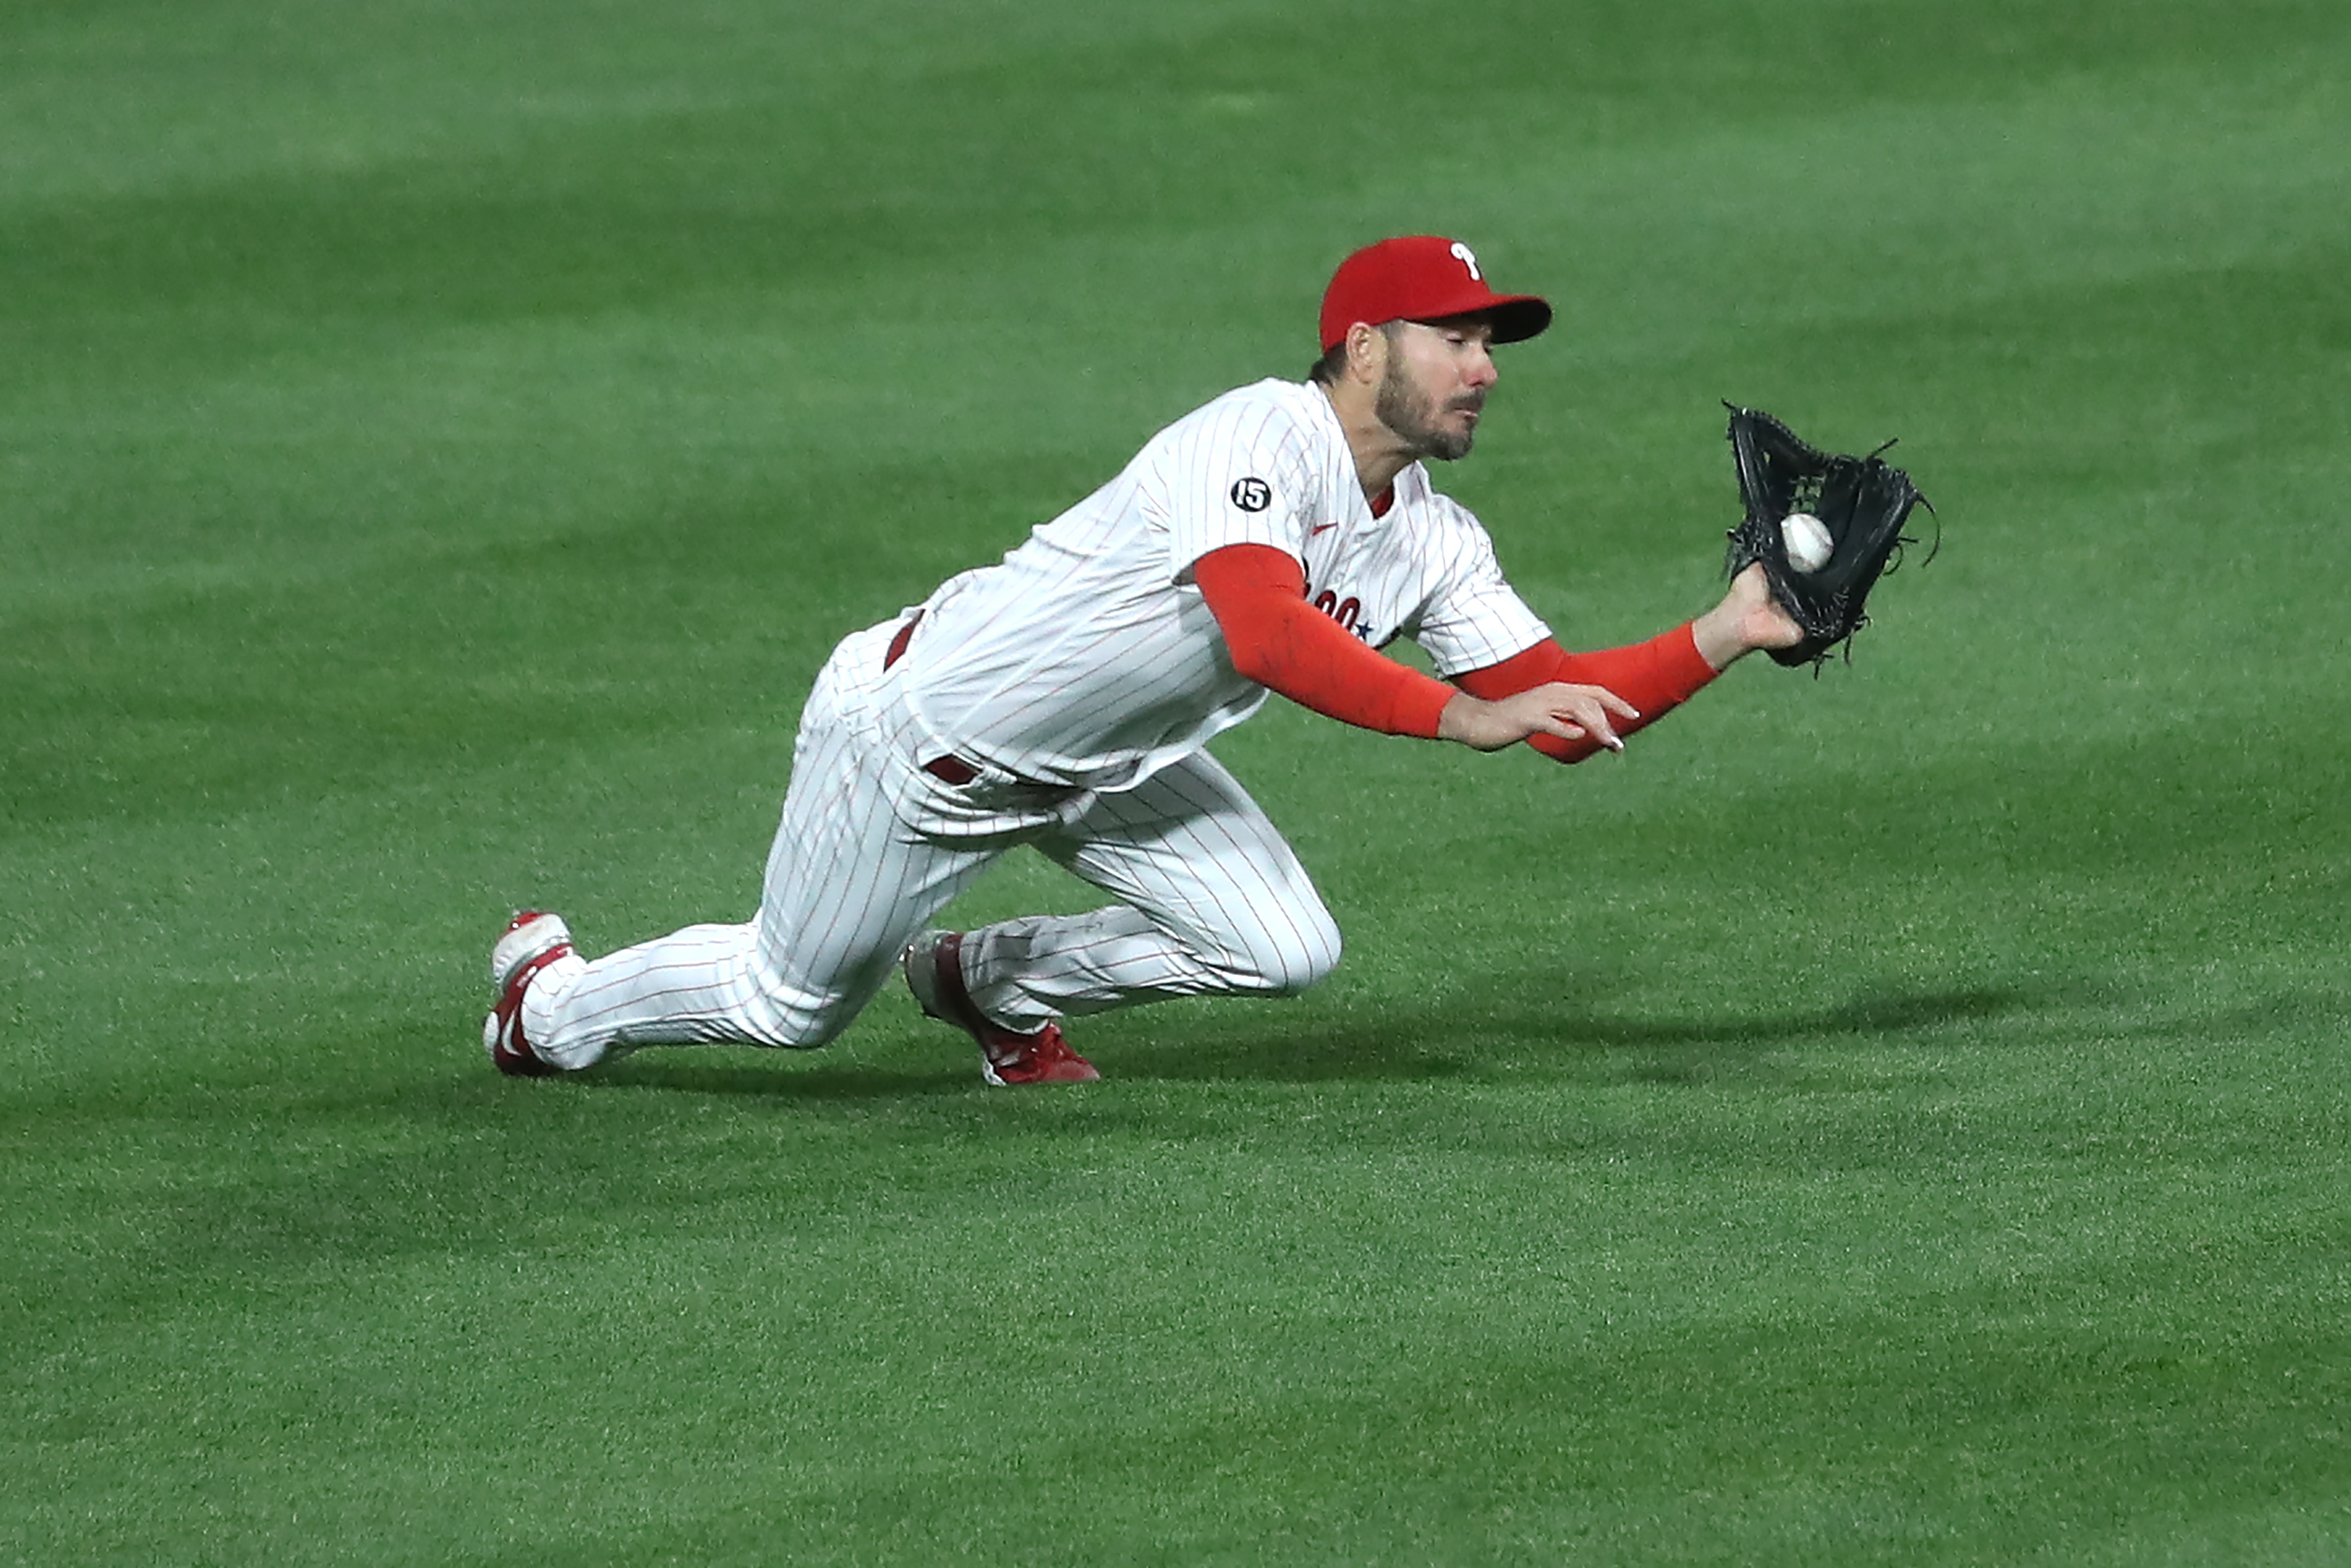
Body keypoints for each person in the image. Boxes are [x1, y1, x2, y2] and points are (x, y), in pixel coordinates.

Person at [484, 234, 1803, 1085]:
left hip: (1113, 764)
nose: (1485, 368)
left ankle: (978, 977)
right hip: (927, 741)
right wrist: (1459, 721)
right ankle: (548, 1002)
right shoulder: (1253, 438)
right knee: (789, 1006)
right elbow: (1265, 630)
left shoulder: (1439, 542)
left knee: (1284, 947)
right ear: (1363, 349)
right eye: (1455, 337)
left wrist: (1729, 625)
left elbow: (1557, 702)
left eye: (1490, 344)